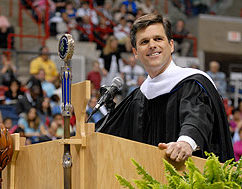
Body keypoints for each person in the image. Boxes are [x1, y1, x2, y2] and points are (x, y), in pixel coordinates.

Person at [96, 13, 234, 163]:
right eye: (144, 42)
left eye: (158, 39)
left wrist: (186, 142)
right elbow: (107, 135)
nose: (152, 45)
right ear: (135, 53)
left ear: (171, 45)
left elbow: (197, 117)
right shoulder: (137, 98)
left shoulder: (193, 82)